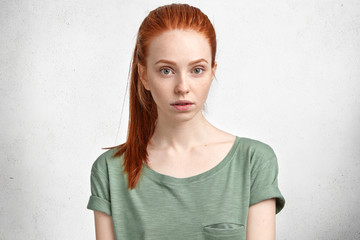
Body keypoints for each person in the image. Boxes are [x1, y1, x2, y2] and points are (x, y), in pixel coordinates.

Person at [87, 3, 285, 240]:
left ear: (213, 72)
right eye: (166, 71)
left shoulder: (254, 162)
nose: (182, 87)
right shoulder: (109, 170)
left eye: (197, 70)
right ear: (143, 75)